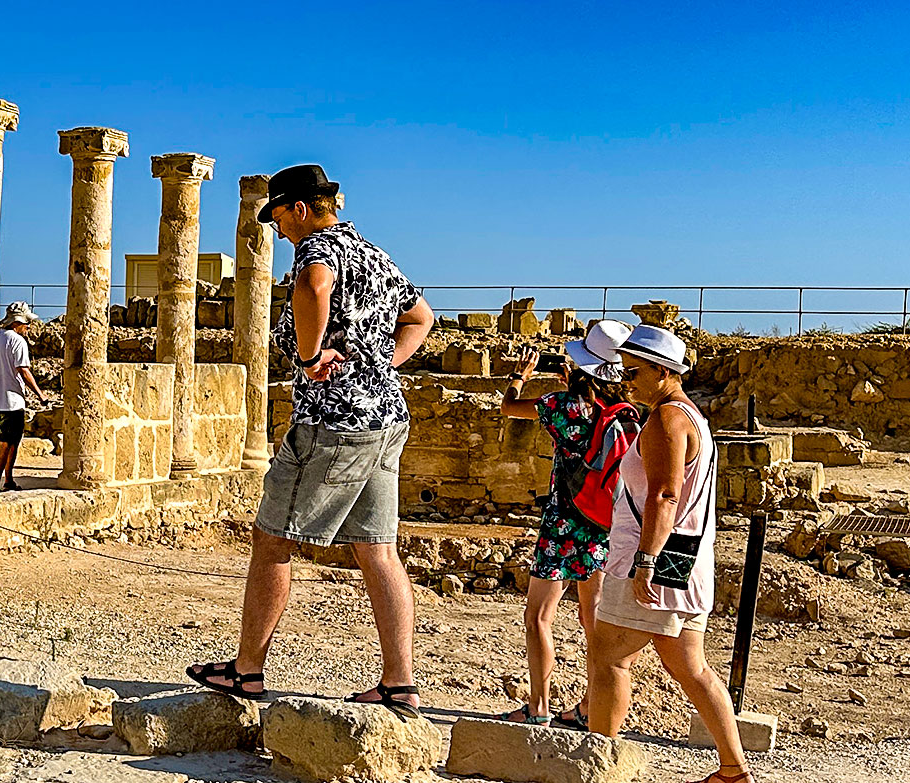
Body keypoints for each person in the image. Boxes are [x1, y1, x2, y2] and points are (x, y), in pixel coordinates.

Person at [188, 164, 438, 713]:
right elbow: (422, 317)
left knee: (274, 540)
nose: (276, 230)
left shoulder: (317, 251)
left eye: (277, 215)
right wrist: (380, 366)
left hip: (333, 423)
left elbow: (313, 285)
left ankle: (247, 671)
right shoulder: (373, 253)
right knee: (379, 550)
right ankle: (400, 682)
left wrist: (308, 355)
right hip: (385, 418)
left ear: (299, 208)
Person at [583, 325, 756, 783]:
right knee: (691, 666)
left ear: (663, 371)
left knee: (610, 657)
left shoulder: (665, 420)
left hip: (654, 555)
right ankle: (733, 770)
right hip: (686, 558)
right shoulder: (691, 417)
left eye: (634, 370)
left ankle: (597, 766)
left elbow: (663, 493)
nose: (625, 378)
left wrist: (644, 562)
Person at [492, 319, 634, 727]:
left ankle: (538, 706)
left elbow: (509, 406)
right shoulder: (625, 412)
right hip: (604, 524)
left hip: (562, 521)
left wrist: (519, 377)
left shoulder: (559, 406)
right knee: (594, 620)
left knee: (539, 615)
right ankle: (591, 705)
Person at [0, 302, 45, 492]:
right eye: (26, 323)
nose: (28, 327)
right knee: (6, 443)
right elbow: (23, 370)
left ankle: (8, 480)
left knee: (11, 441)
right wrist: (40, 394)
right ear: (17, 323)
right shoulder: (17, 341)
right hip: (12, 400)